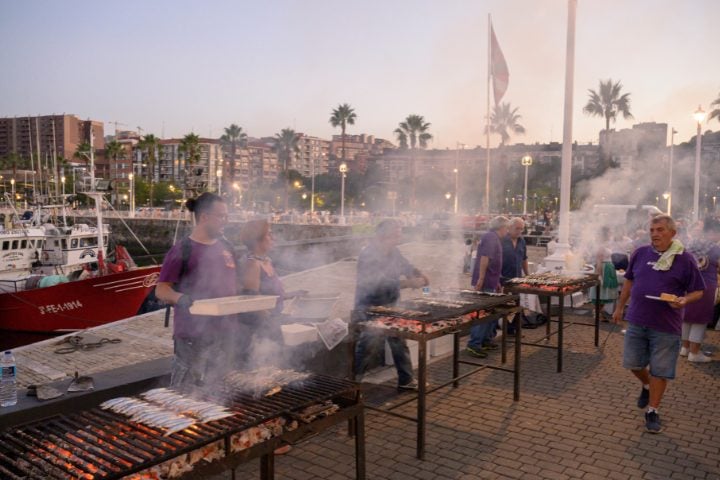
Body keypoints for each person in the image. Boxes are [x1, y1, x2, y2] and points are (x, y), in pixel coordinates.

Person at [612, 214, 705, 434]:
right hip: (637, 319)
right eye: (652, 230)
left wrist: (683, 300)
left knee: (660, 371)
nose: (655, 234)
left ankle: (652, 410)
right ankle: (645, 385)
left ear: (673, 233)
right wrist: (619, 307)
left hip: (666, 325)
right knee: (633, 363)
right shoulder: (640, 253)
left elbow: (698, 291)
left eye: (660, 230)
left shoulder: (685, 258)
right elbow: (629, 281)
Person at [156, 192, 239, 387]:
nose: (226, 221)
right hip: (193, 337)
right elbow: (161, 290)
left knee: (220, 389)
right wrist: (182, 298)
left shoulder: (227, 247)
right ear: (204, 217)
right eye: (221, 216)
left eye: (227, 216)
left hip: (226, 334)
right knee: (188, 392)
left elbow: (235, 286)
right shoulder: (182, 250)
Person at [354, 219, 430, 390]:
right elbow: (378, 282)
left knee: (398, 340)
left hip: (392, 303)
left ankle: (406, 380)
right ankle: (352, 385)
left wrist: (420, 274)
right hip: (370, 305)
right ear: (385, 235)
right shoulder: (368, 254)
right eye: (397, 233)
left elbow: (406, 266)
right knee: (366, 345)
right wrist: (409, 284)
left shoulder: (393, 251)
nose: (399, 236)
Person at [466, 216, 510, 358]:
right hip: (485, 282)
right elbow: (485, 258)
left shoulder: (495, 238)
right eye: (507, 228)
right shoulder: (491, 237)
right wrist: (481, 278)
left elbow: (493, 262)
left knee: (490, 314)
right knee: (482, 314)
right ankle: (474, 344)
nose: (507, 231)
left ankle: (485, 340)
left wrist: (496, 281)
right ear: (501, 227)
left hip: (491, 280)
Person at [680, 217, 720, 363]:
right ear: (713, 232)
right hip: (705, 287)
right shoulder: (715, 249)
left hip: (689, 284)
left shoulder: (690, 244)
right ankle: (694, 353)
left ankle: (684, 348)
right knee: (700, 320)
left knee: (687, 317)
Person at [500, 217, 529, 334]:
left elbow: (524, 259)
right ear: (509, 227)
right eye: (517, 228)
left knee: (517, 304)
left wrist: (527, 275)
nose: (519, 231)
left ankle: (513, 328)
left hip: (517, 277)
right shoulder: (502, 240)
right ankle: (500, 326)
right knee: (502, 304)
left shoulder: (522, 241)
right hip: (502, 278)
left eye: (521, 229)